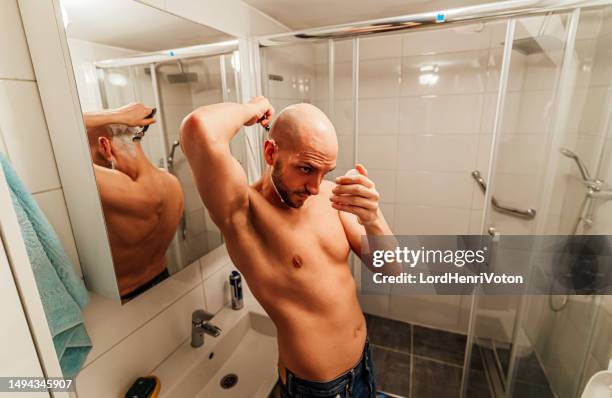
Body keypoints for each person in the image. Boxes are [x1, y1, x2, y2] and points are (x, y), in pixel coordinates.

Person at [180, 97, 401, 397]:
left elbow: (392, 271)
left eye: (325, 171)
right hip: (317, 389)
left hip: (363, 365)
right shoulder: (244, 212)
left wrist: (374, 219)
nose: (315, 187)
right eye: (306, 168)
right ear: (271, 152)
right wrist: (253, 109)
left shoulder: (331, 195)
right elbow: (197, 128)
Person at [85, 103, 184, 301]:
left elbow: (53, 131)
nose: (92, 162)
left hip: (125, 299)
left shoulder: (114, 188)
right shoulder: (172, 182)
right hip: (163, 280)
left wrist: (117, 114)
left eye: (91, 153)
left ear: (105, 146)